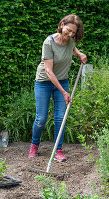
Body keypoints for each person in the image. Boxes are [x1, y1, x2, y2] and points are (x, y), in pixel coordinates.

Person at [28, 14, 87, 161]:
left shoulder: (70, 41)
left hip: (62, 81)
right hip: (44, 82)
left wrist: (80, 54)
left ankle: (58, 150)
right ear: (61, 25)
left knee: (61, 118)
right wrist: (64, 92)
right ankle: (34, 145)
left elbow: (73, 48)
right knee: (41, 118)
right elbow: (49, 71)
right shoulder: (49, 42)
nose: (70, 34)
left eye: (73, 32)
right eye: (68, 30)